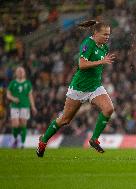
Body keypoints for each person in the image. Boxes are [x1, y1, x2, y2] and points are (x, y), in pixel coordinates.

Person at [36, 20, 116, 157]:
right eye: (105, 34)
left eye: (109, 34)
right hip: (79, 88)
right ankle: (43, 141)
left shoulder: (104, 47)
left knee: (109, 109)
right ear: (95, 33)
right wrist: (101, 61)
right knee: (65, 120)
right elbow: (82, 64)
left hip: (95, 86)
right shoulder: (88, 43)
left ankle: (94, 139)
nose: (107, 37)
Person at [7, 66, 37, 148]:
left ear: (24, 73)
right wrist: (13, 98)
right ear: (16, 73)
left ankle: (22, 143)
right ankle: (15, 139)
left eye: (22, 71)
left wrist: (33, 106)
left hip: (25, 106)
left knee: (23, 124)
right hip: (15, 106)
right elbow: (8, 94)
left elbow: (30, 96)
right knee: (16, 124)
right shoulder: (13, 83)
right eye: (18, 71)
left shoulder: (27, 83)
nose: (20, 72)